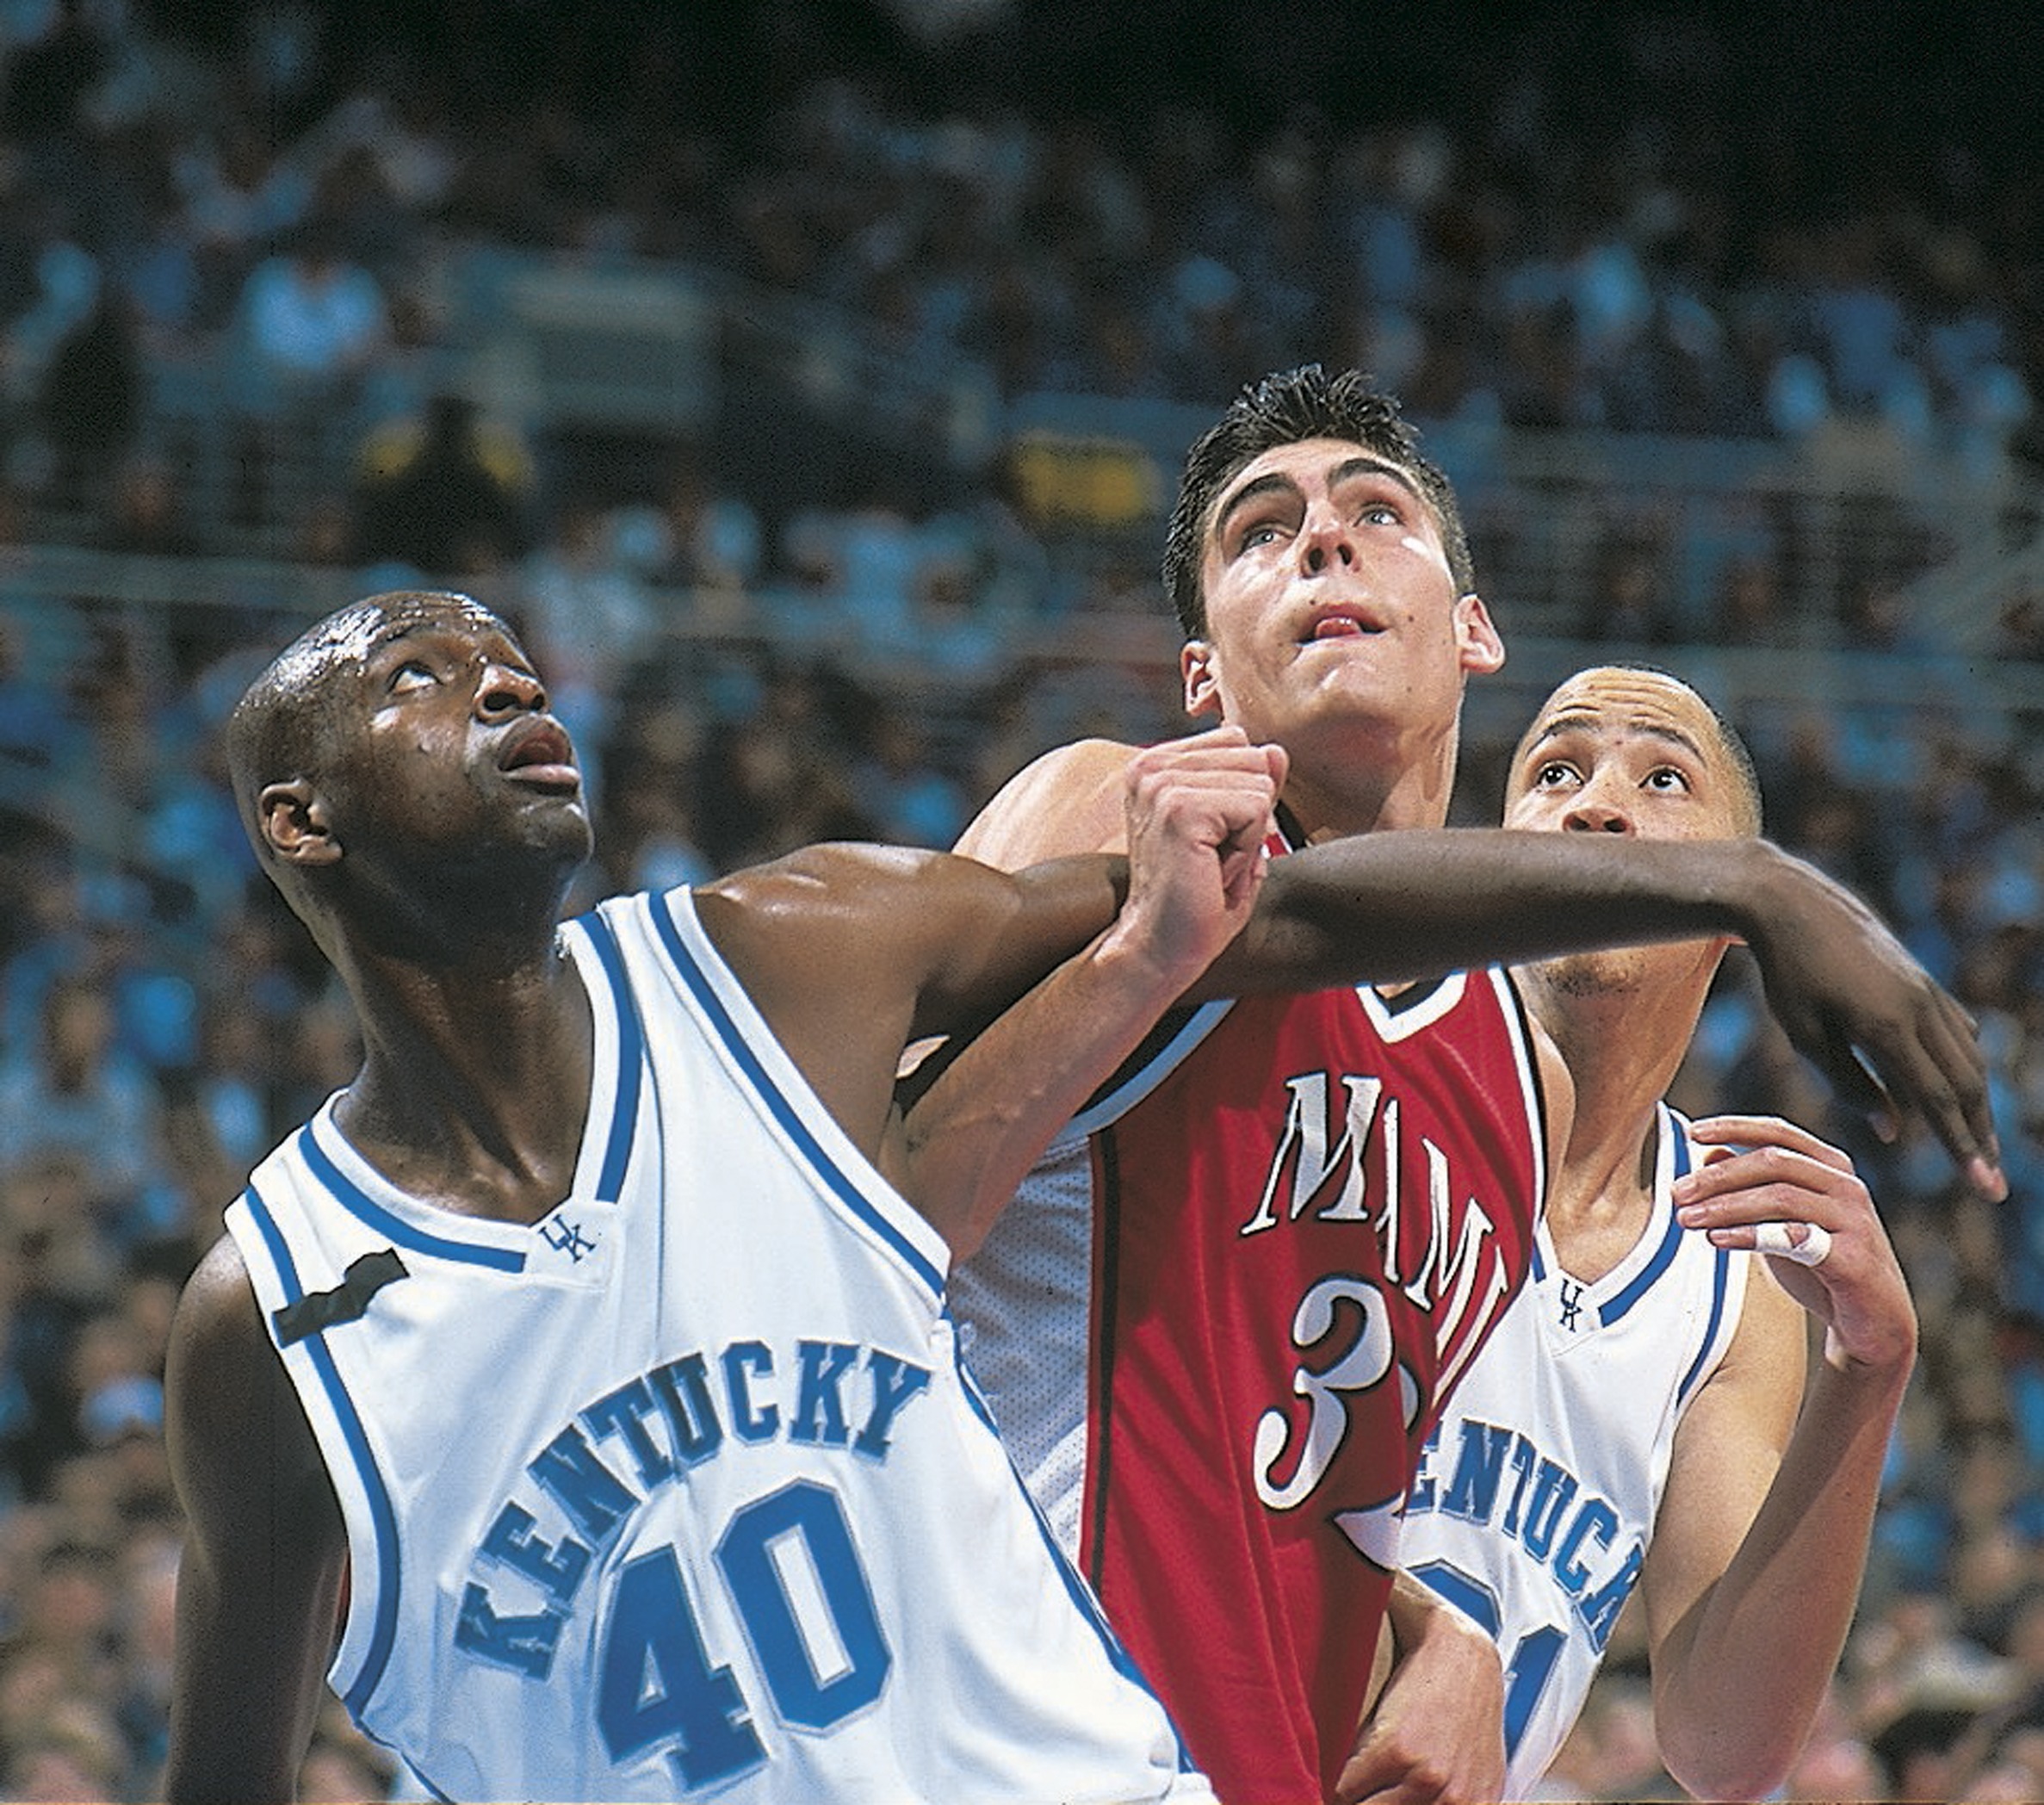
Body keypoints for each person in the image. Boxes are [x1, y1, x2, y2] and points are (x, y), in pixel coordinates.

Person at [164, 589, 1988, 1803]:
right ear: (299, 821)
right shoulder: (277, 1320)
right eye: (422, 677)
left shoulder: (779, 961)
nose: (506, 685)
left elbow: (1265, 923)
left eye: (511, 660)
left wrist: (1759, 889)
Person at [913, 365, 2002, 1805]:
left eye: (1375, 512)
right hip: (978, 1730)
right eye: (1260, 532)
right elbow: (871, 1218)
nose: (1321, 539)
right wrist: (1755, 885)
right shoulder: (1116, 808)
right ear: (1200, 675)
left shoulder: (1489, 1094)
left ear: (1472, 629)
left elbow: (1287, 1489)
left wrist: (1430, 1636)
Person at [1387, 665, 1917, 1801]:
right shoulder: (1363, 1085)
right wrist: (1417, 1630)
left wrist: (1865, 1372)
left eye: (1662, 779)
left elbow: (1725, 1746)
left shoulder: (1731, 1267)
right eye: (1555, 771)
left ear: (1739, 912)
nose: (1595, 805)